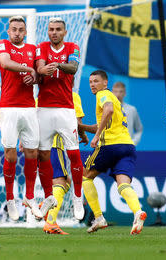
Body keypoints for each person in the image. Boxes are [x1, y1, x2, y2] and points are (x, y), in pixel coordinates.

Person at [80, 70, 147, 235]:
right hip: (127, 146)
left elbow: (107, 111)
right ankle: (138, 212)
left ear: (105, 83)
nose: (92, 85)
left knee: (85, 177)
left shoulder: (103, 95)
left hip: (109, 146)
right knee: (123, 184)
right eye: (90, 82)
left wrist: (96, 136)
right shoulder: (115, 100)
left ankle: (98, 217)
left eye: (96, 81)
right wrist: (82, 127)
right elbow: (104, 122)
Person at [35, 17, 85, 219]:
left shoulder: (73, 46)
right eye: (51, 29)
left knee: (74, 154)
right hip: (44, 109)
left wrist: (55, 65)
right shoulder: (42, 46)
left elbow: (73, 67)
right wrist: (42, 69)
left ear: (65, 32)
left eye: (58, 29)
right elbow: (39, 67)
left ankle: (77, 198)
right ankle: (48, 197)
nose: (54, 32)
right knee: (43, 156)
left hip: (65, 109)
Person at [0, 16, 42, 220]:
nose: (17, 32)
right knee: (10, 154)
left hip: (29, 108)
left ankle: (30, 197)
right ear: (8, 31)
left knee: (32, 152)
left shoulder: (33, 49)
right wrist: (27, 68)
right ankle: (10, 199)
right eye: (13, 29)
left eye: (20, 29)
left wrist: (34, 77)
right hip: (9, 107)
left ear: (25, 32)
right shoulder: (3, 44)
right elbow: (5, 63)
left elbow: (39, 76)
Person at [42, 91, 88, 235]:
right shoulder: (73, 95)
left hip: (38, 145)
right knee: (60, 182)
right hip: (54, 144)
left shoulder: (42, 94)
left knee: (65, 181)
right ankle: (50, 222)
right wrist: (83, 135)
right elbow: (77, 123)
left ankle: (44, 204)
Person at [112, 82, 143, 146]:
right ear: (112, 93)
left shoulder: (132, 109)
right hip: (110, 147)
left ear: (125, 93)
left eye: (121, 91)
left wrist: (133, 143)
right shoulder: (106, 109)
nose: (118, 94)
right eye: (115, 91)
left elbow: (139, 129)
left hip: (127, 147)